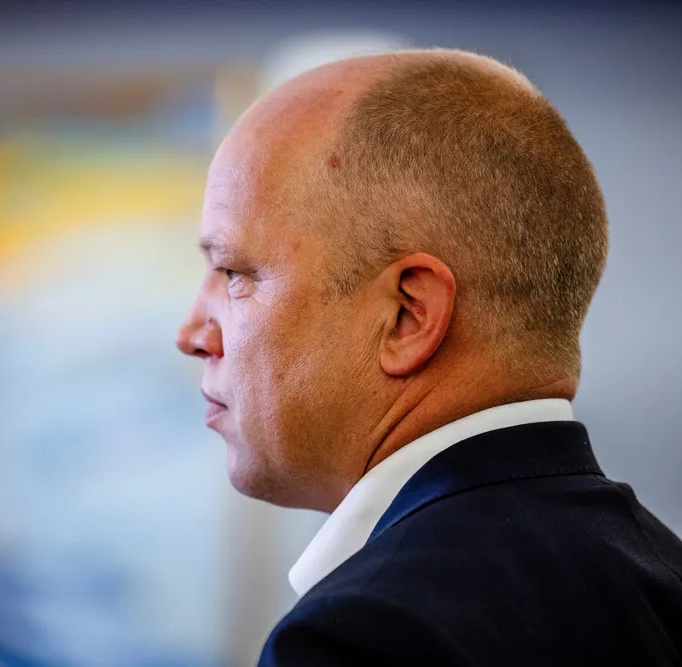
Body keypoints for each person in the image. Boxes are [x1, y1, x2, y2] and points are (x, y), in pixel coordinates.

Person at [175, 48, 682, 666]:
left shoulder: (363, 636)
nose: (192, 334)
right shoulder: (662, 577)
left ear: (407, 317)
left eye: (234, 272)